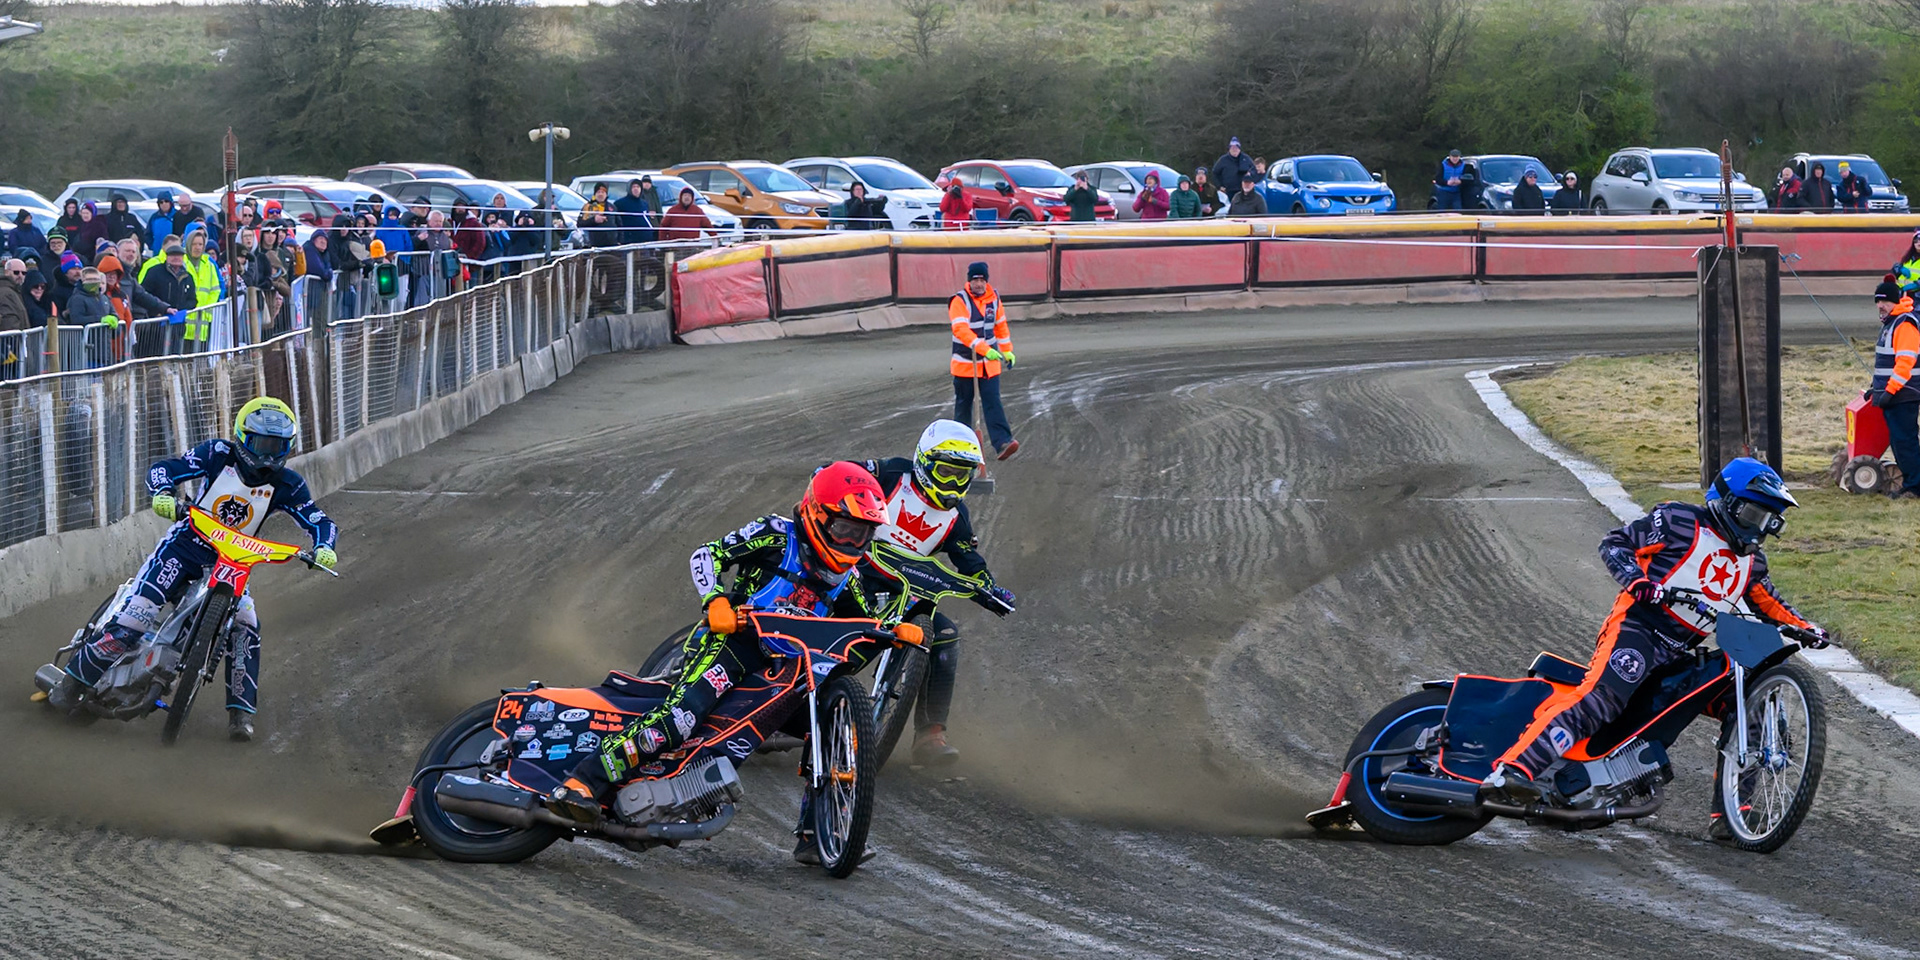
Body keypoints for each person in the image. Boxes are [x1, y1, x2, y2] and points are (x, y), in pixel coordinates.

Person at [544, 464, 893, 831]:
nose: (852, 543)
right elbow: (706, 556)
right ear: (816, 514)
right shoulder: (776, 535)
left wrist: (895, 632)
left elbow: (861, 632)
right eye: (845, 530)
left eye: (862, 535)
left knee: (836, 729)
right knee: (681, 719)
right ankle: (580, 783)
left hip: (785, 672)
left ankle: (814, 832)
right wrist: (715, 601)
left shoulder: (849, 580)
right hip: (733, 645)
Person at [1481, 458, 1825, 811]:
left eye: (1771, 522)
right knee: (1603, 700)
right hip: (1638, 629)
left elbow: (1771, 603)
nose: (1759, 530)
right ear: (1728, 502)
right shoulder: (1679, 520)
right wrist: (1639, 582)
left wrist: (1807, 628)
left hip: (1680, 654)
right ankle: (1514, 769)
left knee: (1748, 703)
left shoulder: (1754, 563)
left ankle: (1734, 812)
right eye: (1754, 516)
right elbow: (1615, 544)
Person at [45, 398, 337, 741]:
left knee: (246, 624)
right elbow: (165, 467)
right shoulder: (216, 453)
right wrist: (164, 492)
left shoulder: (289, 484)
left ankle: (241, 715)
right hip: (185, 546)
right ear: (243, 437)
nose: (270, 455)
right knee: (135, 619)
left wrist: (324, 547)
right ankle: (70, 683)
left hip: (232, 562)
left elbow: (318, 519)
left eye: (278, 446)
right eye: (262, 444)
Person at [851, 420, 1016, 765]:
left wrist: (989, 587)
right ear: (924, 462)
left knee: (944, 633)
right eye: (946, 472)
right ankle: (782, 693)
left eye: (963, 475)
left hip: (905, 591)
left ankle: (930, 734)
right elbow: (848, 475)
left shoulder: (957, 516)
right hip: (852, 571)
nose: (954, 484)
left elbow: (969, 560)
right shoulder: (894, 474)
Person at [949, 261, 1019, 460]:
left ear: (986, 281)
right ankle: (959, 448)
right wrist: (984, 349)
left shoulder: (994, 299)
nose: (978, 283)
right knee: (963, 407)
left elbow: (1001, 327)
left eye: (981, 280)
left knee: (993, 403)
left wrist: (1007, 351)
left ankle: (1003, 443)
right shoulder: (959, 301)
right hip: (965, 365)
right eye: (975, 280)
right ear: (969, 281)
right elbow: (961, 330)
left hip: (989, 366)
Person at [1869, 276, 1920, 500]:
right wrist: (1876, 388)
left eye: (1885, 301)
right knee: (1900, 441)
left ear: (1895, 301)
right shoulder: (1892, 323)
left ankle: (1914, 487)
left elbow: (1905, 363)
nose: (1880, 306)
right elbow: (1886, 364)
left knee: (1905, 441)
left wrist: (1890, 391)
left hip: (1904, 394)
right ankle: (1911, 483)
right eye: (1877, 302)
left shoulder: (1904, 324)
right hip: (1895, 394)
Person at [613, 178, 657, 244]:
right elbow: (616, 221)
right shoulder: (620, 203)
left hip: (646, 239)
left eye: (638, 187)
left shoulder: (644, 203)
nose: (636, 189)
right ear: (629, 188)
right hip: (629, 240)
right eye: (633, 187)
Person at [1212, 137, 1254, 202]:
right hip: (1228, 191)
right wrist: (1219, 186)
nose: (1234, 149)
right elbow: (1215, 173)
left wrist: (1250, 175)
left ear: (1239, 149)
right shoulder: (1223, 160)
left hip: (1244, 191)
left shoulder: (1246, 159)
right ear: (1229, 149)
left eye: (1236, 148)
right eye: (1232, 148)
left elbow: (1254, 171)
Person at [0, 258, 27, 334]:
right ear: (6, 272)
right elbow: (9, 322)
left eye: (24, 273)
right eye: (16, 272)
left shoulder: (15, 291)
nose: (20, 275)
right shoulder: (7, 293)